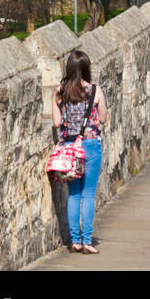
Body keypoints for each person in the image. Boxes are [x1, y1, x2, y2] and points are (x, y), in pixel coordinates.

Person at [52, 49, 108, 254]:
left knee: (74, 195)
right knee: (89, 194)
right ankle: (87, 241)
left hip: (68, 148)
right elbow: (102, 119)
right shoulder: (95, 91)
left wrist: (54, 100)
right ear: (86, 68)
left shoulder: (61, 92)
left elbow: (57, 122)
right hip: (90, 145)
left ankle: (75, 240)